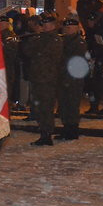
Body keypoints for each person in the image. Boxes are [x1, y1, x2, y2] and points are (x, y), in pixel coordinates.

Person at [22, 12, 62, 146]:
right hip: (37, 77)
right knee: (39, 107)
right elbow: (26, 51)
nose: (45, 27)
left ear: (53, 25)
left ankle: (47, 133)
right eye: (43, 24)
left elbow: (45, 53)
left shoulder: (55, 39)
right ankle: (43, 132)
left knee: (46, 107)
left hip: (48, 78)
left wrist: (37, 41)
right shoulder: (39, 38)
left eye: (48, 24)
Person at [55, 16, 87, 140]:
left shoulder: (79, 42)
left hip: (73, 79)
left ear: (75, 28)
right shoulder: (64, 40)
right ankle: (66, 128)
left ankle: (72, 130)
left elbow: (74, 59)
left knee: (72, 104)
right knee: (63, 104)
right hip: (64, 77)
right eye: (65, 28)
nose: (66, 30)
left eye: (69, 28)